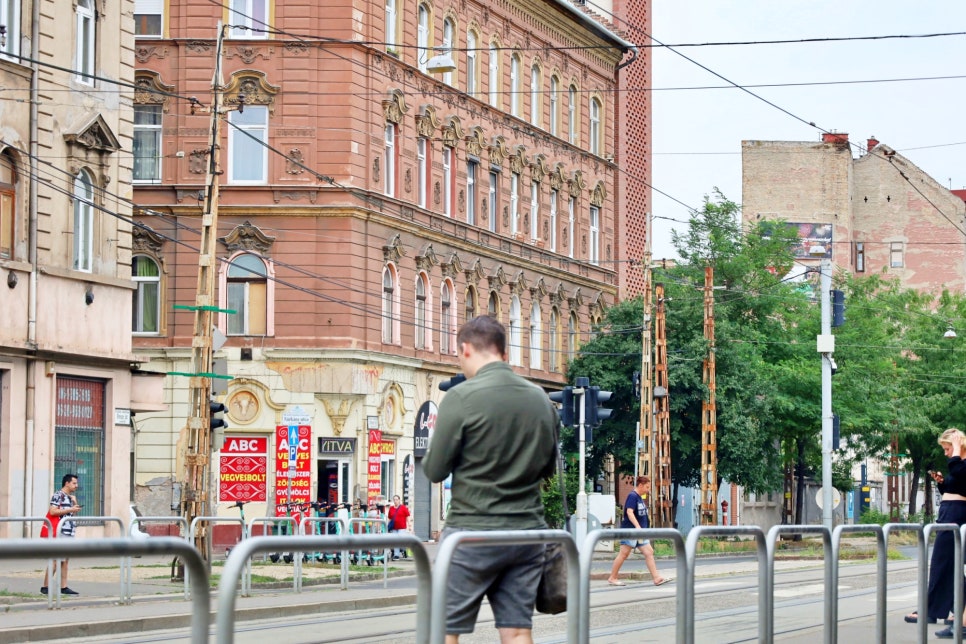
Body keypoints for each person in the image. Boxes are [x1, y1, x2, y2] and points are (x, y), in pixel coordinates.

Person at [423, 315, 557, 644]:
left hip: (472, 533)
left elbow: (435, 470)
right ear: (504, 353)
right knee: (516, 630)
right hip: (527, 534)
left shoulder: (460, 397)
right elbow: (549, 470)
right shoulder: (541, 398)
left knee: (445, 627)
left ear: (466, 349)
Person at [908, 428, 966, 634]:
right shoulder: (958, 464)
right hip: (950, 513)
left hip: (958, 516)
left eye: (947, 448)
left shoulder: (960, 463)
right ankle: (948, 609)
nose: (946, 453)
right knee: (947, 564)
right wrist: (942, 483)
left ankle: (940, 610)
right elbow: (954, 485)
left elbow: (960, 474)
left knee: (946, 563)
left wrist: (957, 450)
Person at [606, 475, 668, 587]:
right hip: (631, 530)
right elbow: (629, 512)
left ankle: (656, 578)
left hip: (640, 532)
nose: (648, 490)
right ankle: (613, 577)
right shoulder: (632, 496)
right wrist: (637, 526)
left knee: (649, 552)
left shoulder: (639, 497)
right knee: (624, 554)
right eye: (647, 487)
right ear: (640, 485)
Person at [41, 473, 82, 596]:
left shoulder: (70, 497)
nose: (76, 485)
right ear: (67, 483)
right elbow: (53, 511)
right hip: (60, 531)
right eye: (74, 483)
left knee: (65, 560)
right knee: (55, 559)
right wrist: (70, 509)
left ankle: (64, 587)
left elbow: (71, 515)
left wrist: (74, 505)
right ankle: (46, 586)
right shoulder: (58, 495)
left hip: (69, 531)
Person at [388, 495, 410, 560]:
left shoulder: (403, 507)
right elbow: (389, 518)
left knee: (401, 540)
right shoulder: (391, 508)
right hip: (394, 528)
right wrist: (387, 526)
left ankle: (403, 549)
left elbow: (407, 517)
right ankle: (396, 555)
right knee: (395, 541)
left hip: (402, 528)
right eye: (394, 499)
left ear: (399, 500)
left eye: (397, 499)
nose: (395, 501)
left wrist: (410, 526)